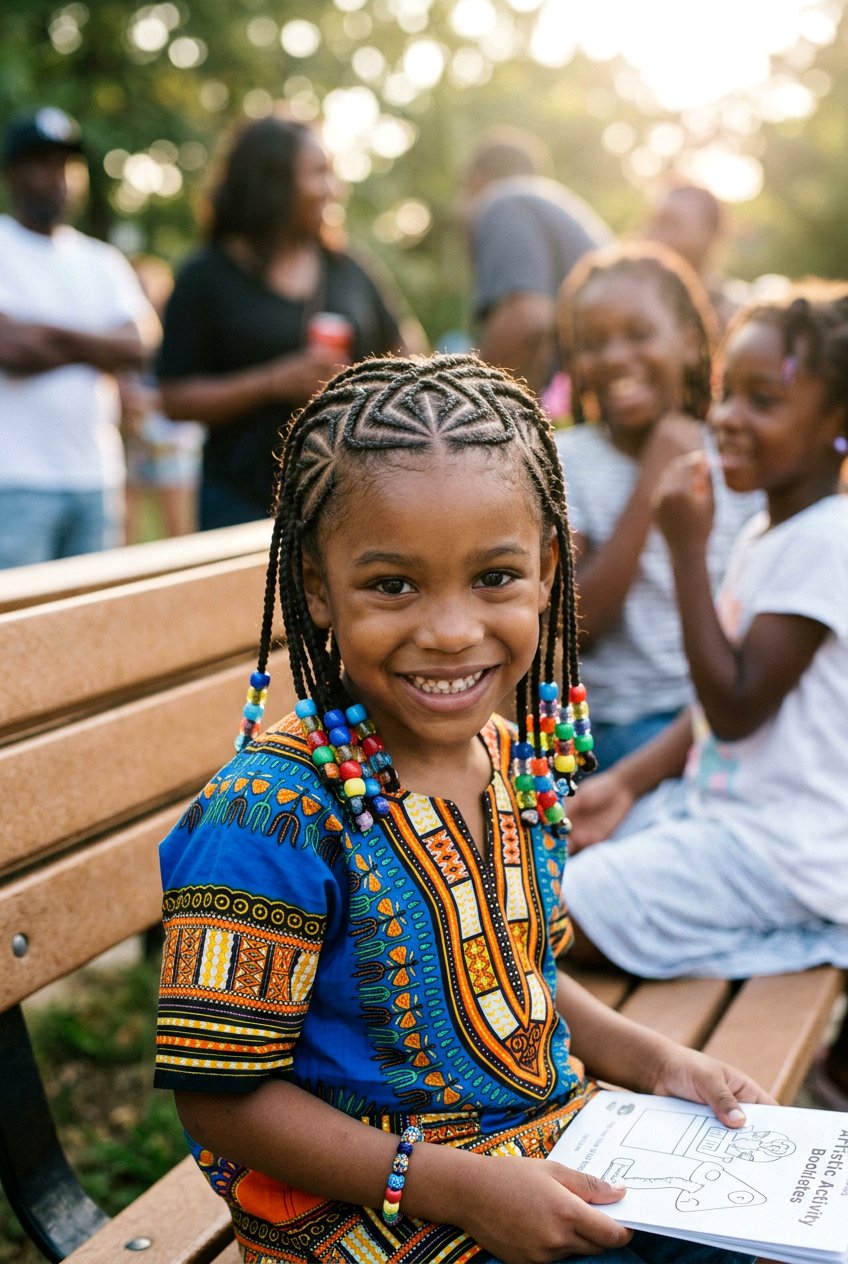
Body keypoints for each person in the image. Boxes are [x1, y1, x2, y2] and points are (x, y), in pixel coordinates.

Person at [154, 353, 770, 1264]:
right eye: (393, 585)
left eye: (494, 578)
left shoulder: (508, 757)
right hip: (373, 1217)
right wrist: (453, 1185)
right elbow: (219, 1097)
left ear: (548, 567)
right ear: (318, 587)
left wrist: (656, 1062)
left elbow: (519, 975)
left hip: (549, 1152)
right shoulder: (271, 816)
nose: (450, 630)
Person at [563, 281, 848, 989]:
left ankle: (807, 934)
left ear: (838, 425)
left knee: (559, 906)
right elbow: (720, 716)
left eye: (765, 400)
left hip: (787, 852)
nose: (727, 418)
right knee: (543, 861)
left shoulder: (826, 543)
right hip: (726, 813)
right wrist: (624, 783)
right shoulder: (772, 530)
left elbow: (735, 705)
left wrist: (686, 551)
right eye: (726, 393)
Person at [157, 114, 422, 531]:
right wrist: (272, 382)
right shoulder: (206, 276)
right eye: (318, 174)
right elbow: (174, 397)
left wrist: (362, 387)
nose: (333, 189)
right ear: (273, 184)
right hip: (239, 506)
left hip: (348, 501)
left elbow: (407, 352)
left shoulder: (348, 269)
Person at [555, 242, 762, 768]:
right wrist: (652, 480)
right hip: (625, 726)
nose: (616, 356)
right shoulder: (567, 462)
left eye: (639, 334)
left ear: (692, 344)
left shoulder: (742, 457)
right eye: (593, 342)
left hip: (737, 707)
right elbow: (574, 628)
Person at [0, 107, 159, 568]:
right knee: (17, 630)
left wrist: (46, 335)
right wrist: (96, 345)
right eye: (42, 164)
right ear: (13, 174)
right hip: (16, 481)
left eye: (68, 165)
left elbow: (140, 348)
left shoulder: (101, 261)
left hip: (95, 478)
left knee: (90, 628)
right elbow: (11, 349)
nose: (58, 177)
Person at [465, 126, 612, 395]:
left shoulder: (501, 201)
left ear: (475, 180)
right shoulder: (549, 202)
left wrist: (465, 394)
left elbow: (527, 316)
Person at [121, 254, 205, 541]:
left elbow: (186, 386)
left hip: (174, 439)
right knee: (124, 522)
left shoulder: (180, 329)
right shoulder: (129, 331)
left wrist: (149, 401)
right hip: (139, 436)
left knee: (178, 526)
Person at [642, 182, 748, 334]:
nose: (651, 233)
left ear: (711, 234)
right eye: (652, 222)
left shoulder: (738, 316)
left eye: (670, 222)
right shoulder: (628, 303)